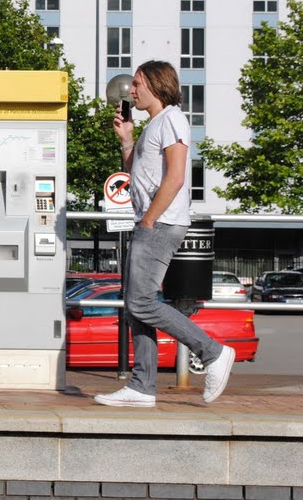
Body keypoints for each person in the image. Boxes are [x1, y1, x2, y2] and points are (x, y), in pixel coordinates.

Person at [95, 60, 234, 407]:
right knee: (135, 306)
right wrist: (127, 140)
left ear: (156, 85)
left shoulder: (172, 119)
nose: (132, 90)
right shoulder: (153, 125)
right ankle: (142, 386)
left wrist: (148, 220)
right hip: (152, 219)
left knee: (140, 302)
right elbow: (138, 173)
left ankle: (213, 352)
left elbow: (175, 176)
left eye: (138, 83)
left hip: (160, 222)